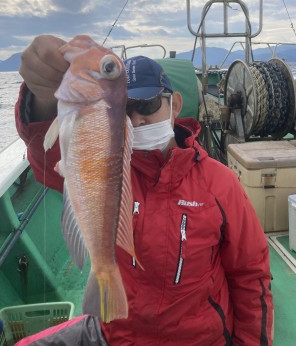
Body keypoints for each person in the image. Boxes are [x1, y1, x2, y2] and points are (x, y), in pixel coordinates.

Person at [15, 35, 274, 346]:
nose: (137, 119)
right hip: (116, 334)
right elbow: (47, 158)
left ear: (174, 104)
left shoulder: (220, 183)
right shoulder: (108, 166)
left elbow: (250, 276)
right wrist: (40, 98)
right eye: (126, 108)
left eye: (149, 104)